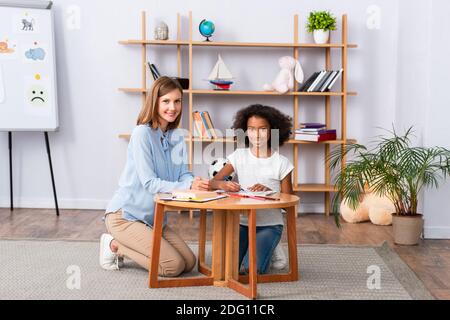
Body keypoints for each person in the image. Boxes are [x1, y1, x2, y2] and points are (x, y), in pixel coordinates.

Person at [99, 76, 210, 277]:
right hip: (125, 217)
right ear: (155, 102)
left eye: (177, 101)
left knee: (189, 262)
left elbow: (183, 173)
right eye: (166, 101)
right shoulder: (142, 133)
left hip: (153, 218)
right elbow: (150, 183)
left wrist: (194, 182)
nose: (172, 107)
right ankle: (115, 244)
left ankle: (127, 243)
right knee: (172, 266)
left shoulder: (177, 136)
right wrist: (187, 186)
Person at [210, 104, 293, 274]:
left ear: (272, 131)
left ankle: (272, 248)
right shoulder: (238, 157)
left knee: (250, 270)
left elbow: (289, 202)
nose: (256, 134)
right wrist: (224, 184)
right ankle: (262, 248)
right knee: (227, 267)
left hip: (269, 225)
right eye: (251, 129)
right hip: (242, 224)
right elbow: (213, 183)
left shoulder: (281, 162)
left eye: (262, 129)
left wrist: (270, 191)